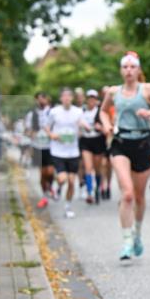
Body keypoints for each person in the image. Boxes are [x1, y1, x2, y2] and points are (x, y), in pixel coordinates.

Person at [100, 52, 150, 261]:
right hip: (121, 143)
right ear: (121, 70)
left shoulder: (147, 89)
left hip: (142, 144)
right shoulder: (113, 92)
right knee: (127, 194)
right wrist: (107, 125)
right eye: (125, 67)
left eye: (133, 67)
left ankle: (137, 234)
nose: (129, 71)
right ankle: (126, 241)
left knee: (139, 197)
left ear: (138, 70)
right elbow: (103, 112)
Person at [46, 88, 84, 218]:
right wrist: (52, 135)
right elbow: (46, 127)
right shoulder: (54, 112)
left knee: (72, 182)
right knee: (63, 178)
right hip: (58, 151)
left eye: (69, 96)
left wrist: (83, 128)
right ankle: (57, 187)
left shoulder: (78, 112)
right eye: (64, 96)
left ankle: (68, 207)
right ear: (61, 98)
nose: (67, 98)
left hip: (73, 151)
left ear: (72, 98)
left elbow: (81, 125)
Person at [79, 89, 107, 205]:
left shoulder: (101, 112)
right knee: (88, 167)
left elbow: (107, 129)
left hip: (98, 141)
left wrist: (101, 128)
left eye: (93, 99)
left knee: (97, 168)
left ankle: (97, 188)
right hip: (86, 141)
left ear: (96, 100)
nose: (91, 101)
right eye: (89, 99)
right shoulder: (81, 111)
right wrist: (81, 126)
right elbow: (77, 124)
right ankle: (89, 192)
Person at [26, 92, 54, 208]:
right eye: (38, 99)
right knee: (42, 173)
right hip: (38, 146)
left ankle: (50, 186)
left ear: (47, 99)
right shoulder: (31, 114)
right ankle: (44, 196)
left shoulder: (53, 112)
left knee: (50, 172)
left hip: (51, 146)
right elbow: (27, 131)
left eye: (43, 98)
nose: (40, 101)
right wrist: (32, 133)